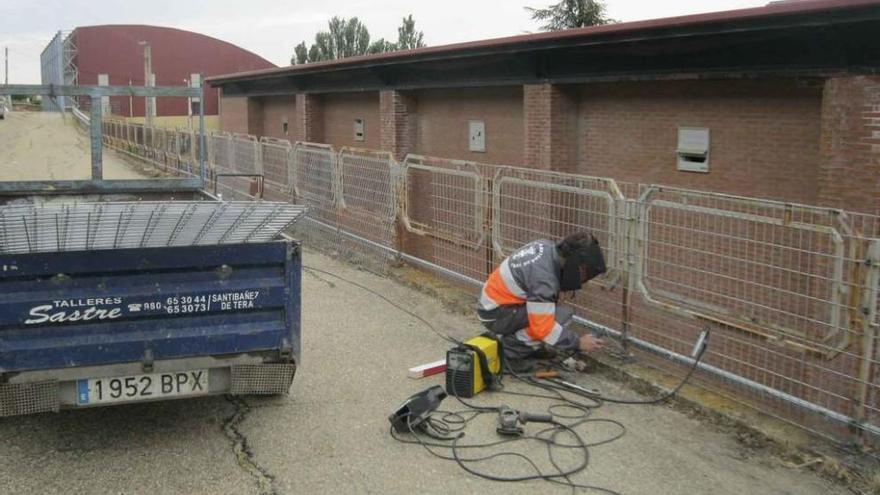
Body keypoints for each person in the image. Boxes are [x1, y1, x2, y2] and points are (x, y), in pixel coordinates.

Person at [476, 232, 607, 368]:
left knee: (549, 312)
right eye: (583, 272)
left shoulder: (546, 247)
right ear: (576, 263)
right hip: (496, 314)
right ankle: (510, 353)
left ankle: (526, 345)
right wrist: (578, 342)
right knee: (559, 316)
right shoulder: (545, 279)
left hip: (493, 307)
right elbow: (543, 328)